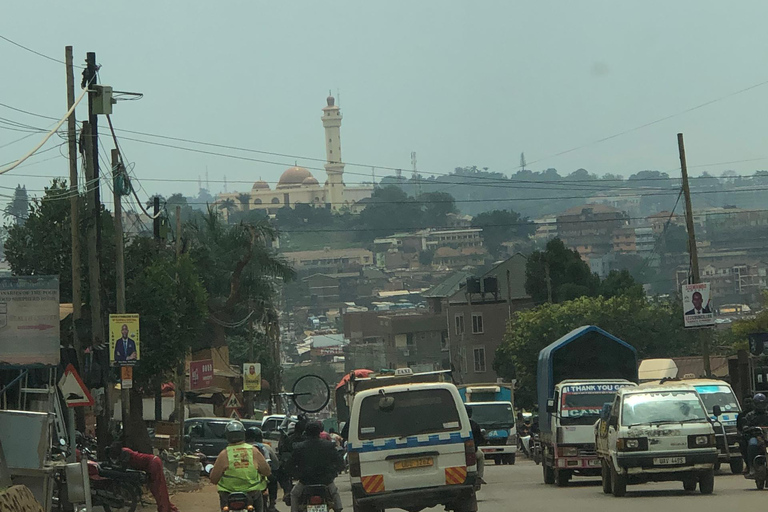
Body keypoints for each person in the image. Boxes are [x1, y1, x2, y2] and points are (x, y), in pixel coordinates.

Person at [210, 421, 271, 511]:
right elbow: (266, 471)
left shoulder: (224, 454)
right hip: (252, 493)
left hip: (228, 494)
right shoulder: (253, 451)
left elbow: (214, 479)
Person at [288, 422, 344, 512]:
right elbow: (340, 462)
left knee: (294, 495)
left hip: (305, 481)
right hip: (326, 481)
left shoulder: (299, 447)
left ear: (306, 432)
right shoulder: (328, 446)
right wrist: (334, 472)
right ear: (319, 432)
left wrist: (297, 474)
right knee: (335, 493)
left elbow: (290, 465)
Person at [108, 442, 178, 512]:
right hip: (152, 463)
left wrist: (111, 467)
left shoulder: (125, 453)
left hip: (153, 464)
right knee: (157, 489)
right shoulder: (124, 451)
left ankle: (165, 509)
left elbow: (123, 468)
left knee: (159, 489)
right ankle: (167, 508)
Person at [246, 427, 279, 512]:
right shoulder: (265, 447)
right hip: (262, 477)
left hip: (245, 477)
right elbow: (275, 463)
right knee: (273, 480)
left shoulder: (241, 448)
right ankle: (272, 504)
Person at [277, 415, 308, 505]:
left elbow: (283, 454)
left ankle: (287, 490)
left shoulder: (288, 440)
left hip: (296, 470)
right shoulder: (308, 441)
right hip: (302, 471)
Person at [744, 393, 768, 478]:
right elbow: (745, 426)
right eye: (759, 404)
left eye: (762, 403)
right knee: (752, 445)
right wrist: (749, 428)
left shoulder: (767, 414)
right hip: (755, 437)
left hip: (767, 437)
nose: (761, 406)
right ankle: (751, 467)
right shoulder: (750, 415)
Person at [466, 405, 486, 485]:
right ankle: (479, 477)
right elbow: (480, 439)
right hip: (472, 451)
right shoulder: (474, 425)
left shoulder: (455, 424)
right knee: (481, 455)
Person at [738, 397, 754, 473]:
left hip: (764, 436)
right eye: (746, 402)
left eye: (750, 402)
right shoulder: (743, 415)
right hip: (750, 436)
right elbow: (739, 429)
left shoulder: (765, 413)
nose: (748, 404)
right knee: (743, 444)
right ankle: (749, 465)